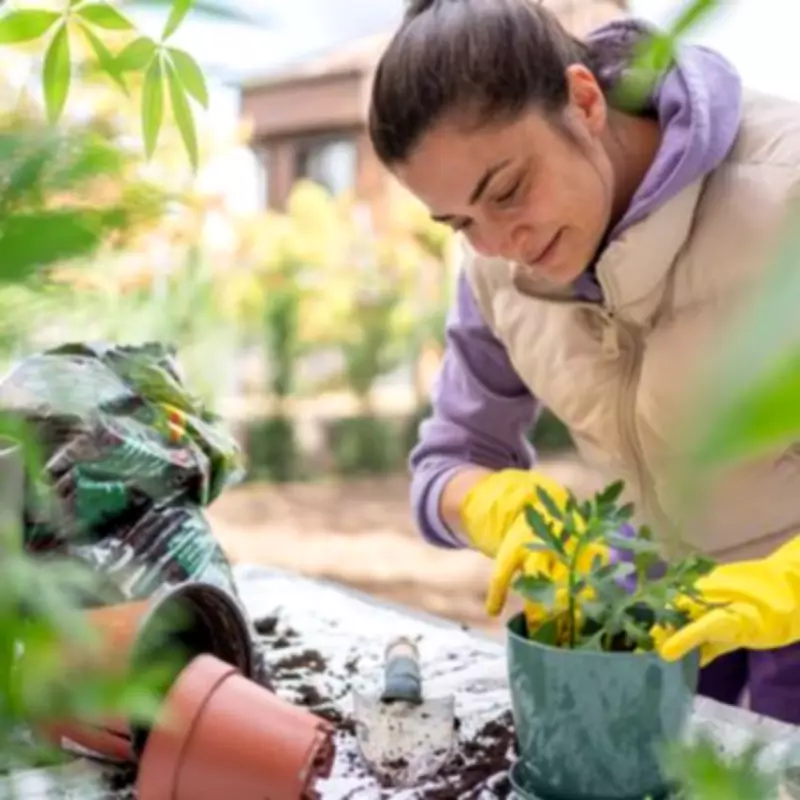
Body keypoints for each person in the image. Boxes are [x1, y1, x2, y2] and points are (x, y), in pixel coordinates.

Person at [367, 0, 800, 724]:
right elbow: (446, 463)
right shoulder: (496, 271)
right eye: (459, 223)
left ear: (585, 99)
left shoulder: (785, 190)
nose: (500, 243)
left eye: (506, 191)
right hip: (655, 618)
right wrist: (492, 505)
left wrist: (787, 585)